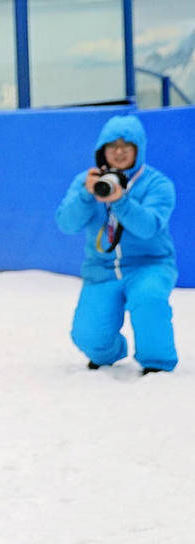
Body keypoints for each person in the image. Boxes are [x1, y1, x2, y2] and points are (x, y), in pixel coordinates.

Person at [55, 114, 177, 374]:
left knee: (149, 299)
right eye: (112, 146)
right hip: (102, 270)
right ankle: (108, 352)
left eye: (126, 146)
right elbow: (66, 223)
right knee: (88, 336)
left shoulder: (158, 184)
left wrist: (121, 200)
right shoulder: (86, 181)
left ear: (138, 150)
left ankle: (157, 363)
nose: (119, 152)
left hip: (149, 265)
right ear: (102, 151)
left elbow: (148, 227)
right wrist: (86, 196)